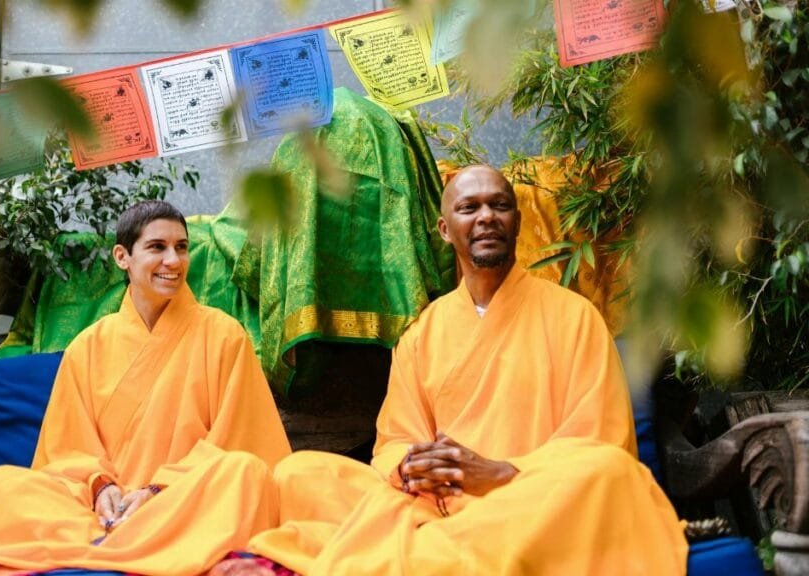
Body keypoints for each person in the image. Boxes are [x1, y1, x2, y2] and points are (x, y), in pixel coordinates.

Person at [217, 165, 687, 575]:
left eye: (499, 205)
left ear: (516, 221)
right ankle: (438, 543)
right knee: (301, 473)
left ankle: (433, 549)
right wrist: (412, 467)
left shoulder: (574, 316)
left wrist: (500, 473)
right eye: (469, 208)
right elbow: (396, 439)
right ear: (445, 229)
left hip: (531, 498)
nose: (486, 217)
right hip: (436, 503)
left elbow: (602, 439)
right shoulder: (423, 333)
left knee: (607, 472)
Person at [0, 200, 292, 575]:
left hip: (181, 498)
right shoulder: (88, 345)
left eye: (182, 248)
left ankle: (128, 539)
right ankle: (117, 537)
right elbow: (67, 449)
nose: (174, 261)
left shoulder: (224, 335)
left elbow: (240, 441)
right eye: (157, 247)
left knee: (244, 473)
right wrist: (102, 488)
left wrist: (156, 488)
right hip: (96, 508)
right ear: (123, 257)